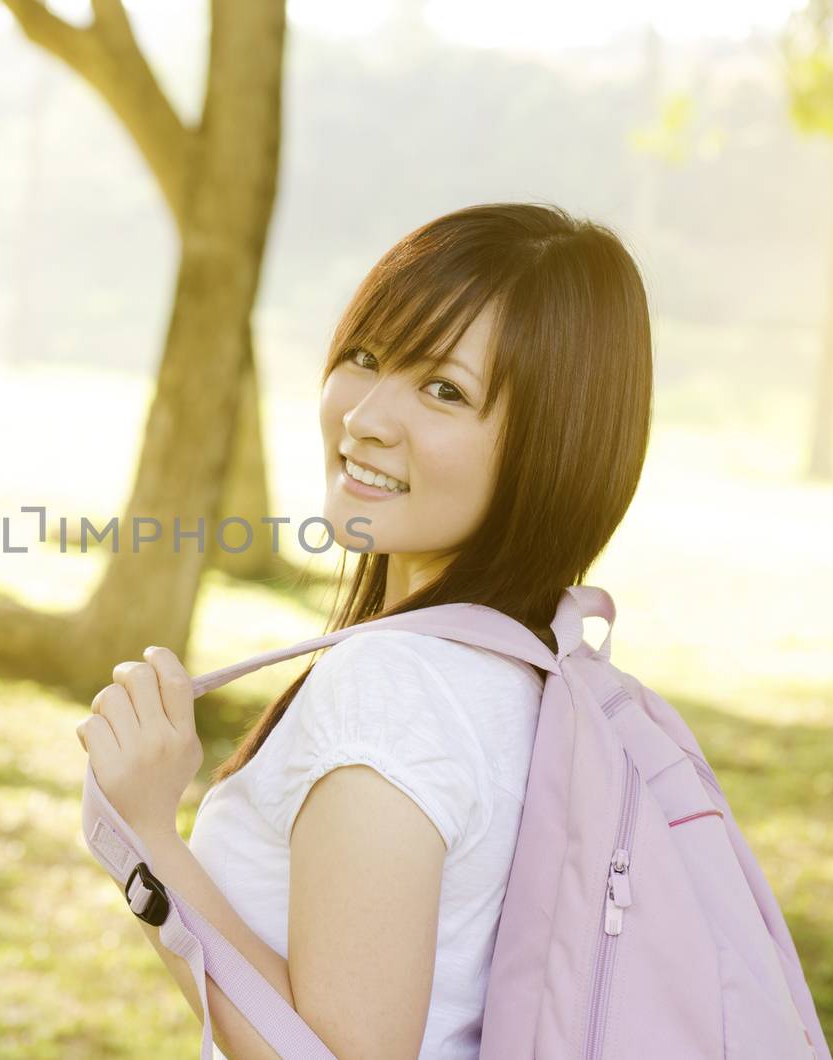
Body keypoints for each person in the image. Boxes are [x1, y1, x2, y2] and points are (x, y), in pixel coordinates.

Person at [181, 202, 653, 1057]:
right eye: (365, 358)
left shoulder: (393, 685)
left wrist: (143, 845)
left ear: (548, 448)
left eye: (444, 390)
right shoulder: (535, 667)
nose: (365, 416)